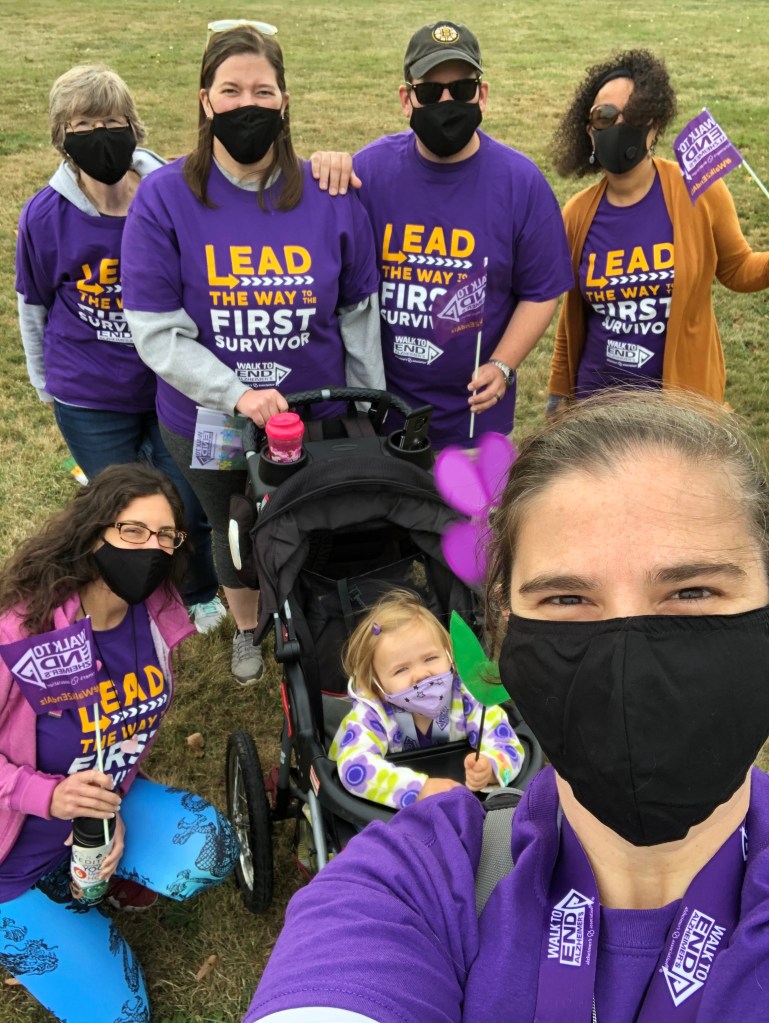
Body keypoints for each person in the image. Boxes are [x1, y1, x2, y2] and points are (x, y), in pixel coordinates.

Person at [245, 390, 769, 1022]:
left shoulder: (465, 708)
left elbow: (493, 727)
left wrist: (490, 762)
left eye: (693, 591)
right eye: (567, 599)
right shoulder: (409, 880)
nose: (629, 660)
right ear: (503, 623)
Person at [122, 25, 384, 686]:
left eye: (262, 91)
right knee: (230, 524)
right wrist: (236, 394)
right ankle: (247, 626)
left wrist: (366, 407)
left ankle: (317, 613)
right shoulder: (165, 198)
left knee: (318, 517)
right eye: (231, 90)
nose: (247, 104)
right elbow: (156, 330)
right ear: (205, 100)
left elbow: (358, 315)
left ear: (284, 101)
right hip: (208, 418)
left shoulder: (329, 193)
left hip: (314, 414)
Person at [0, 463, 237, 1023]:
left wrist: (112, 811)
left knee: (213, 849)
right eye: (132, 531)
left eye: (165, 535)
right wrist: (44, 795)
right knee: (121, 1015)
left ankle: (90, 883)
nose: (150, 549)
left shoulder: (154, 613)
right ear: (93, 533)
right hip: (11, 857)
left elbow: (124, 733)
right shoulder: (22, 629)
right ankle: (40, 912)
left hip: (98, 813)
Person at [15, 64, 224, 634]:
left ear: (133, 125)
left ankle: (199, 590)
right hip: (89, 394)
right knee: (119, 509)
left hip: (173, 383)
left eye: (110, 120)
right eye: (82, 125)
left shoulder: (172, 194)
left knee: (186, 501)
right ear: (62, 136)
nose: (99, 134)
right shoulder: (45, 215)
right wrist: (44, 382)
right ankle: (127, 594)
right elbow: (33, 305)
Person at [313, 20, 573, 449]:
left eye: (462, 89)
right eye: (431, 92)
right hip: (377, 423)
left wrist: (502, 365)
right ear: (407, 99)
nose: (447, 103)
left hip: (475, 426)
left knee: (476, 499)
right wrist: (324, 167)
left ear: (482, 95)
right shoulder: (368, 173)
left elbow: (541, 290)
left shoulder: (520, 182)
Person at [546, 49, 769, 417]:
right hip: (597, 411)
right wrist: (558, 393)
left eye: (633, 115)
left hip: (681, 414)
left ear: (654, 127)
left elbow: (738, 268)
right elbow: (571, 318)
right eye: (605, 116)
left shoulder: (698, 192)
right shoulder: (577, 214)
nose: (619, 126)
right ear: (590, 132)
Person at [330, 590, 523, 808]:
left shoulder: (467, 696)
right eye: (401, 670)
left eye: (430, 658)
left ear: (449, 655)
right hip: (393, 813)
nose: (421, 675)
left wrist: (491, 767)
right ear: (376, 683)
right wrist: (418, 789)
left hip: (461, 802)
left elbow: (506, 742)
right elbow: (354, 766)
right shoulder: (373, 713)